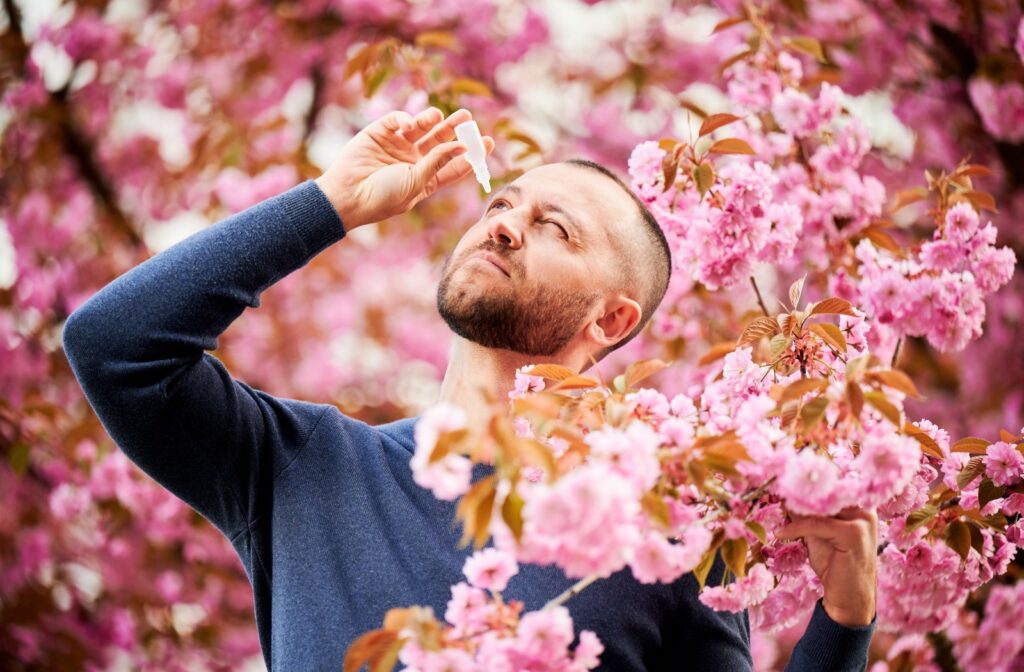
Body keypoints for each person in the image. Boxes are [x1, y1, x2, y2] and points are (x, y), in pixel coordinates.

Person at [63, 106, 878, 671]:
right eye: (500, 203)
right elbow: (114, 348)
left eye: (554, 227)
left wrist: (844, 625)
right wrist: (331, 204)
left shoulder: (666, 536)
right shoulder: (305, 468)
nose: (503, 223)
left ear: (612, 317)